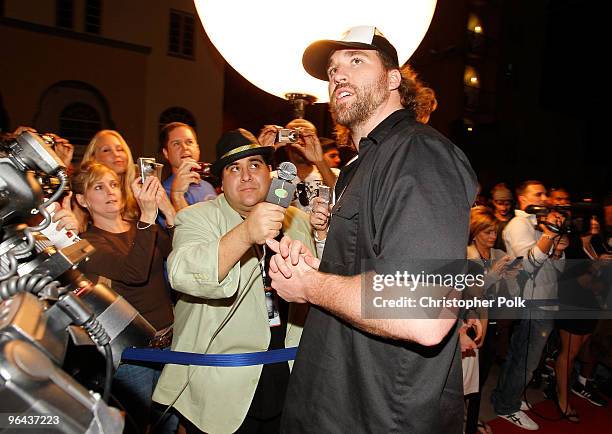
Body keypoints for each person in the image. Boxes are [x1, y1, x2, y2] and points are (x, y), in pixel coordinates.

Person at [266, 26, 478, 433]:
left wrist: (310, 287)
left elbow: (422, 312)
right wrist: (314, 270)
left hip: (382, 416)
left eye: (356, 61)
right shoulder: (356, 167)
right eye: (332, 70)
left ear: (393, 79)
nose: (338, 76)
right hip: (333, 401)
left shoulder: (418, 151)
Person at [153, 129, 314, 434]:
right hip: (221, 390)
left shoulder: (297, 221)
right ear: (222, 182)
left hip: (290, 380)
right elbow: (181, 272)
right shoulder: (196, 218)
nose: (246, 176)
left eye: (255, 165)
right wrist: (245, 233)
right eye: (234, 169)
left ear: (270, 173)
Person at [72, 161, 177, 434]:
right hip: (133, 354)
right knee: (135, 426)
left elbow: (179, 252)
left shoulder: (140, 226)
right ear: (83, 200)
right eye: (99, 187)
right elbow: (134, 272)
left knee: (171, 422)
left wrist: (167, 208)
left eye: (113, 184)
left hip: (172, 341)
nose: (110, 191)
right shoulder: (87, 243)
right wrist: (148, 218)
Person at [491, 180, 569, 430]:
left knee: (518, 356)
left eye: (546, 193)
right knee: (528, 361)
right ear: (523, 199)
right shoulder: (518, 225)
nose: (545, 197)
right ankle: (507, 407)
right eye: (539, 194)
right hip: (533, 301)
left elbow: (556, 269)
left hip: (546, 297)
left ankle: (504, 396)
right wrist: (549, 236)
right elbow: (528, 266)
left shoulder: (540, 224)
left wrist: (557, 251)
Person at [464, 206, 521, 434]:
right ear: (475, 231)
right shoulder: (467, 255)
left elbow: (513, 292)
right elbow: (470, 293)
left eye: (494, 232)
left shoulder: (498, 254)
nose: (492, 236)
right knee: (467, 378)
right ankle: (466, 419)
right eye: (487, 232)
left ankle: (472, 418)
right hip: (471, 323)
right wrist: (493, 276)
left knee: (482, 376)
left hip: (496, 323)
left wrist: (513, 278)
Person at [259, 118, 339, 212]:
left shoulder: (333, 174)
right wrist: (261, 154)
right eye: (294, 136)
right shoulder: (272, 178)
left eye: (306, 136)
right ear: (285, 140)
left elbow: (342, 197)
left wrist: (319, 161)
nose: (300, 141)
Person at [79, 130, 139, 224]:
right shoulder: (85, 197)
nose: (116, 154)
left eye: (120, 149)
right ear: (93, 158)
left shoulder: (138, 191)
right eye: (106, 150)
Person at [158, 122, 216, 212]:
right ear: (166, 153)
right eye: (176, 144)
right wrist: (177, 196)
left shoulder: (207, 186)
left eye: (189, 142)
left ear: (197, 148)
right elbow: (183, 226)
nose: (185, 147)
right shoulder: (161, 195)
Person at [490, 183, 514, 251]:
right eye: (500, 204)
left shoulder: (514, 221)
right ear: (494, 202)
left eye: (507, 204)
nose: (504, 208)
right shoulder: (490, 219)